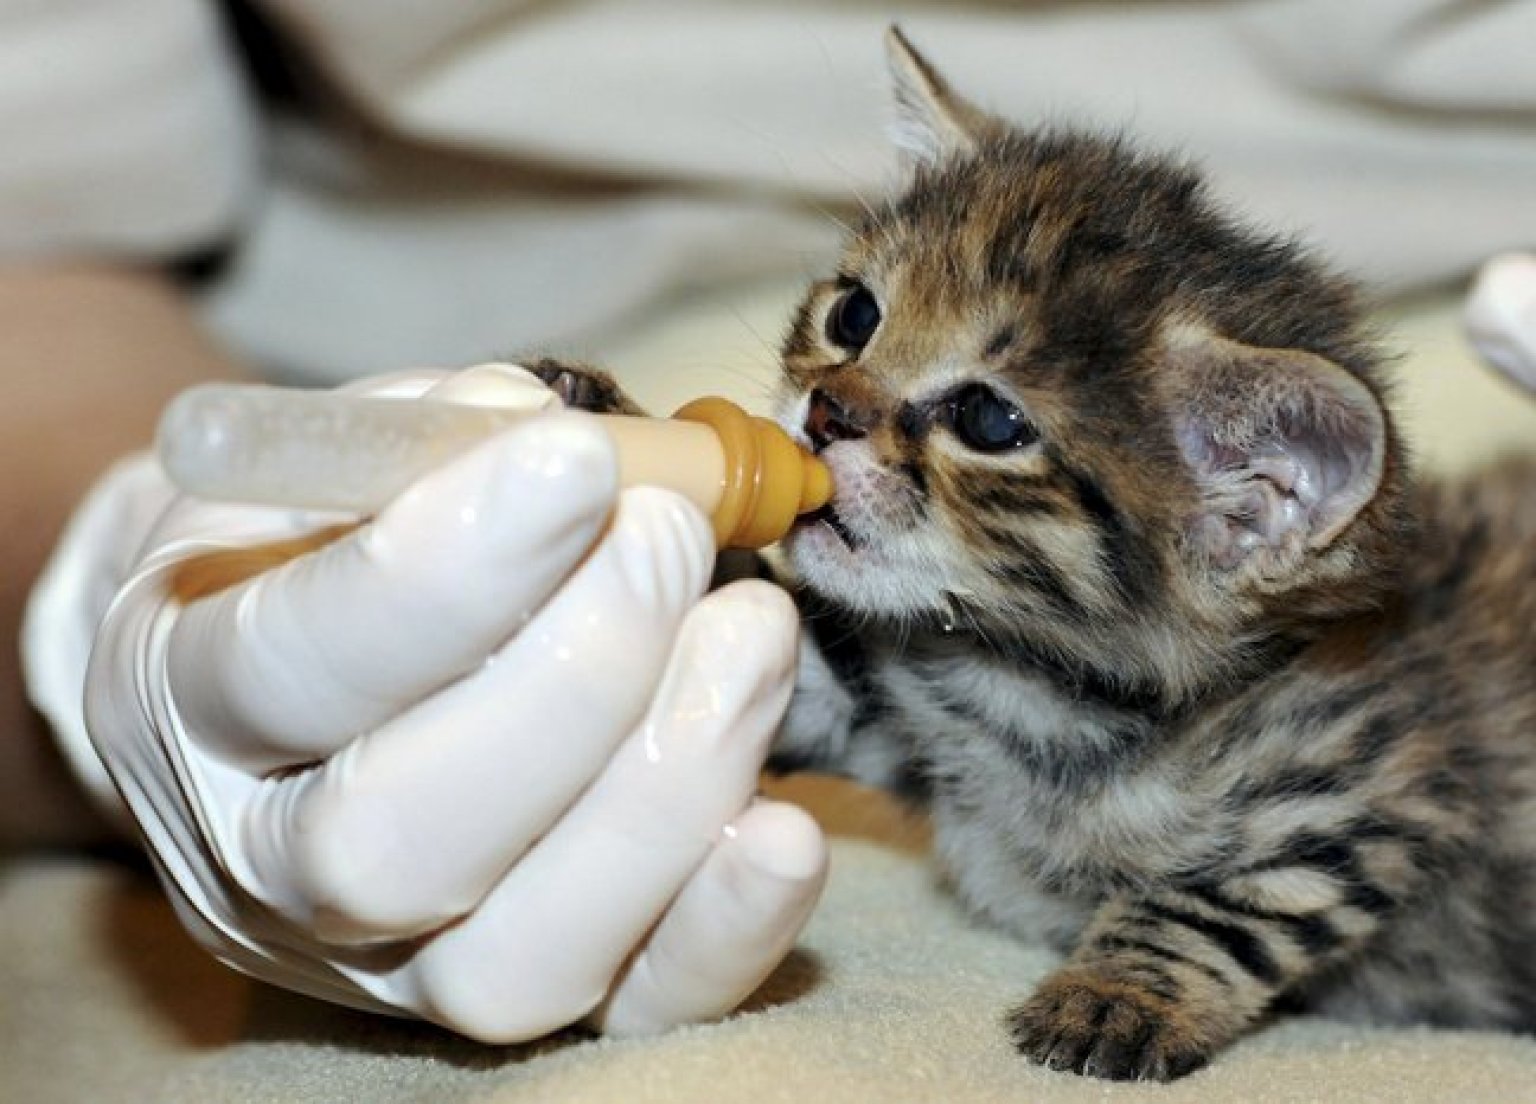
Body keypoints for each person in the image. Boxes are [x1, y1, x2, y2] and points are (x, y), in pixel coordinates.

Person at [4, 0, 1534, 1046]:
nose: (843, 408)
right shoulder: (947, 614)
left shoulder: (1302, 722)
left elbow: (1376, 820)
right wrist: (96, 593)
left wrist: (1168, 965)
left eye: (984, 420)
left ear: (1252, 512)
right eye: (856, 321)